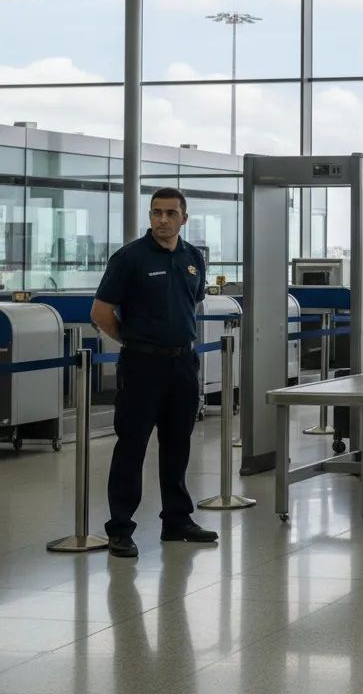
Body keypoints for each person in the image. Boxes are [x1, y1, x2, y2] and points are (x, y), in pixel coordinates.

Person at [90, 188, 217, 558]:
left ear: (184, 218)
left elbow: (192, 303)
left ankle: (177, 520)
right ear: (150, 216)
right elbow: (100, 312)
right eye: (156, 213)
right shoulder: (130, 258)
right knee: (132, 445)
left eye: (170, 213)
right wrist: (131, 339)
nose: (163, 220)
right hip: (142, 365)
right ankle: (120, 528)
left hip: (182, 364)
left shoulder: (193, 258)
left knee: (178, 443)